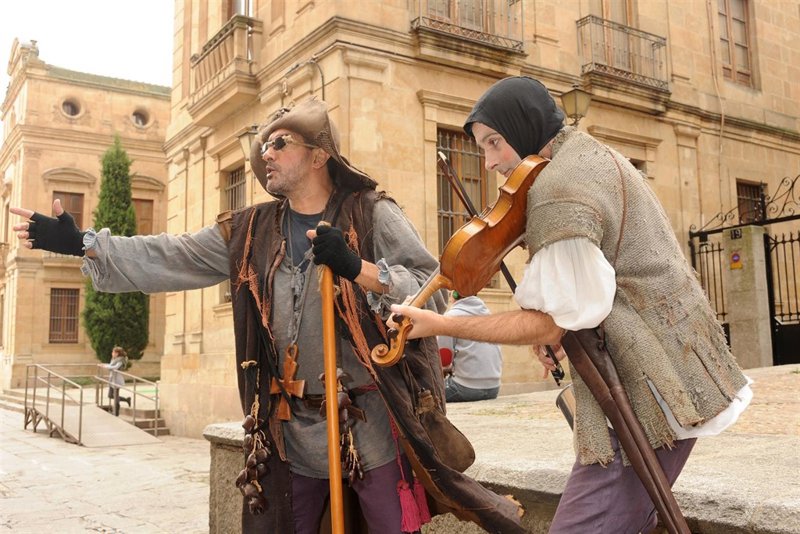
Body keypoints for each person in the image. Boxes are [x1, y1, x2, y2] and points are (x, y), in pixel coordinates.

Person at [12, 99, 526, 533]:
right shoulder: (250, 230)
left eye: (281, 143)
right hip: (288, 432)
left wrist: (360, 269)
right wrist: (84, 243)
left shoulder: (371, 212)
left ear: (320, 155)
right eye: (264, 146)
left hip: (370, 425)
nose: (267, 153)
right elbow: (172, 253)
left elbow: (433, 295)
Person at [390, 76, 752, 533]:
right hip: (677, 369)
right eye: (483, 148)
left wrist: (438, 323)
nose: (490, 162)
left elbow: (548, 324)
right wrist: (564, 326)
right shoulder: (594, 156)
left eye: (495, 143)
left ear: (524, 127)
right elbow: (603, 285)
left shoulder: (558, 189)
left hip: (649, 394)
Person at [438, 291, 502, 402]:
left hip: (465, 388)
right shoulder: (489, 314)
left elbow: (444, 359)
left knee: (424, 394)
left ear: (455, 294)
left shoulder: (451, 317)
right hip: (493, 388)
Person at [101, 346, 131, 416]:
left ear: (117, 353)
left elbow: (115, 367)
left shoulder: (120, 360)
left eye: (113, 352)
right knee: (110, 395)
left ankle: (116, 412)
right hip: (112, 379)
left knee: (116, 396)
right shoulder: (114, 359)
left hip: (117, 380)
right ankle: (126, 400)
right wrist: (104, 365)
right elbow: (111, 365)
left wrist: (106, 366)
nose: (112, 353)